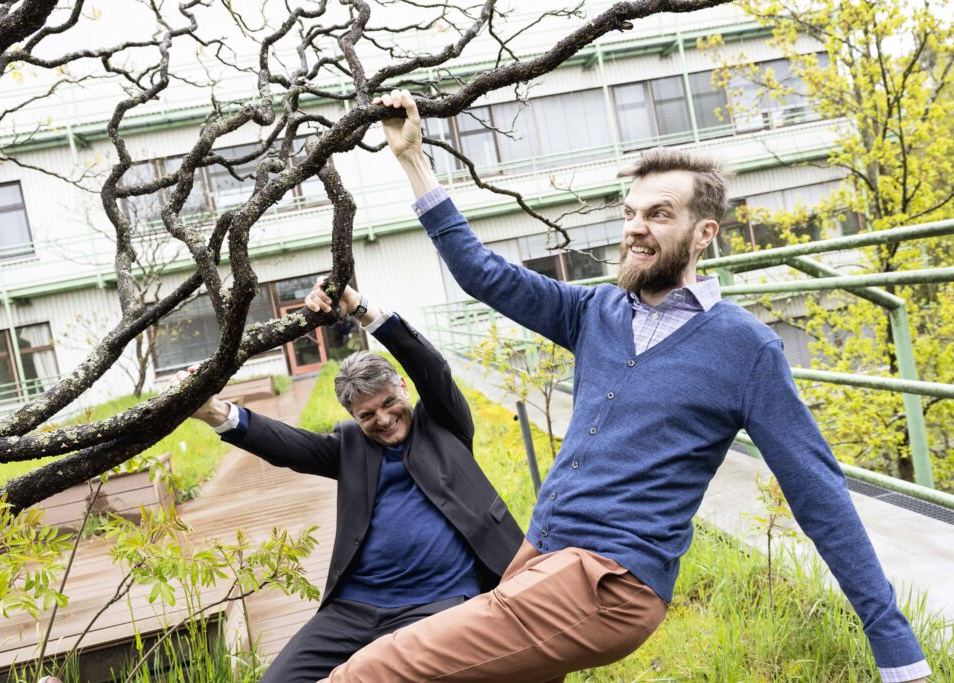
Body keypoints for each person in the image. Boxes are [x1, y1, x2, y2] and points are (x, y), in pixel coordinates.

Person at [317, 91, 930, 683]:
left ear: (704, 233)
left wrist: (897, 650)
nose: (635, 228)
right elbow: (483, 274)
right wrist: (412, 158)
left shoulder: (745, 349)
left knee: (372, 669)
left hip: (610, 583)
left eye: (659, 214)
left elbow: (819, 494)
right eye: (630, 212)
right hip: (543, 558)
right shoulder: (596, 312)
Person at [175, 280, 524, 683]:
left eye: (388, 403)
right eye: (367, 414)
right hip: (354, 609)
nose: (383, 418)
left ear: (403, 390)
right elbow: (289, 446)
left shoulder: (444, 424)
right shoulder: (351, 446)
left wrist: (359, 309)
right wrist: (215, 412)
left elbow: (431, 367)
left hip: (437, 605)